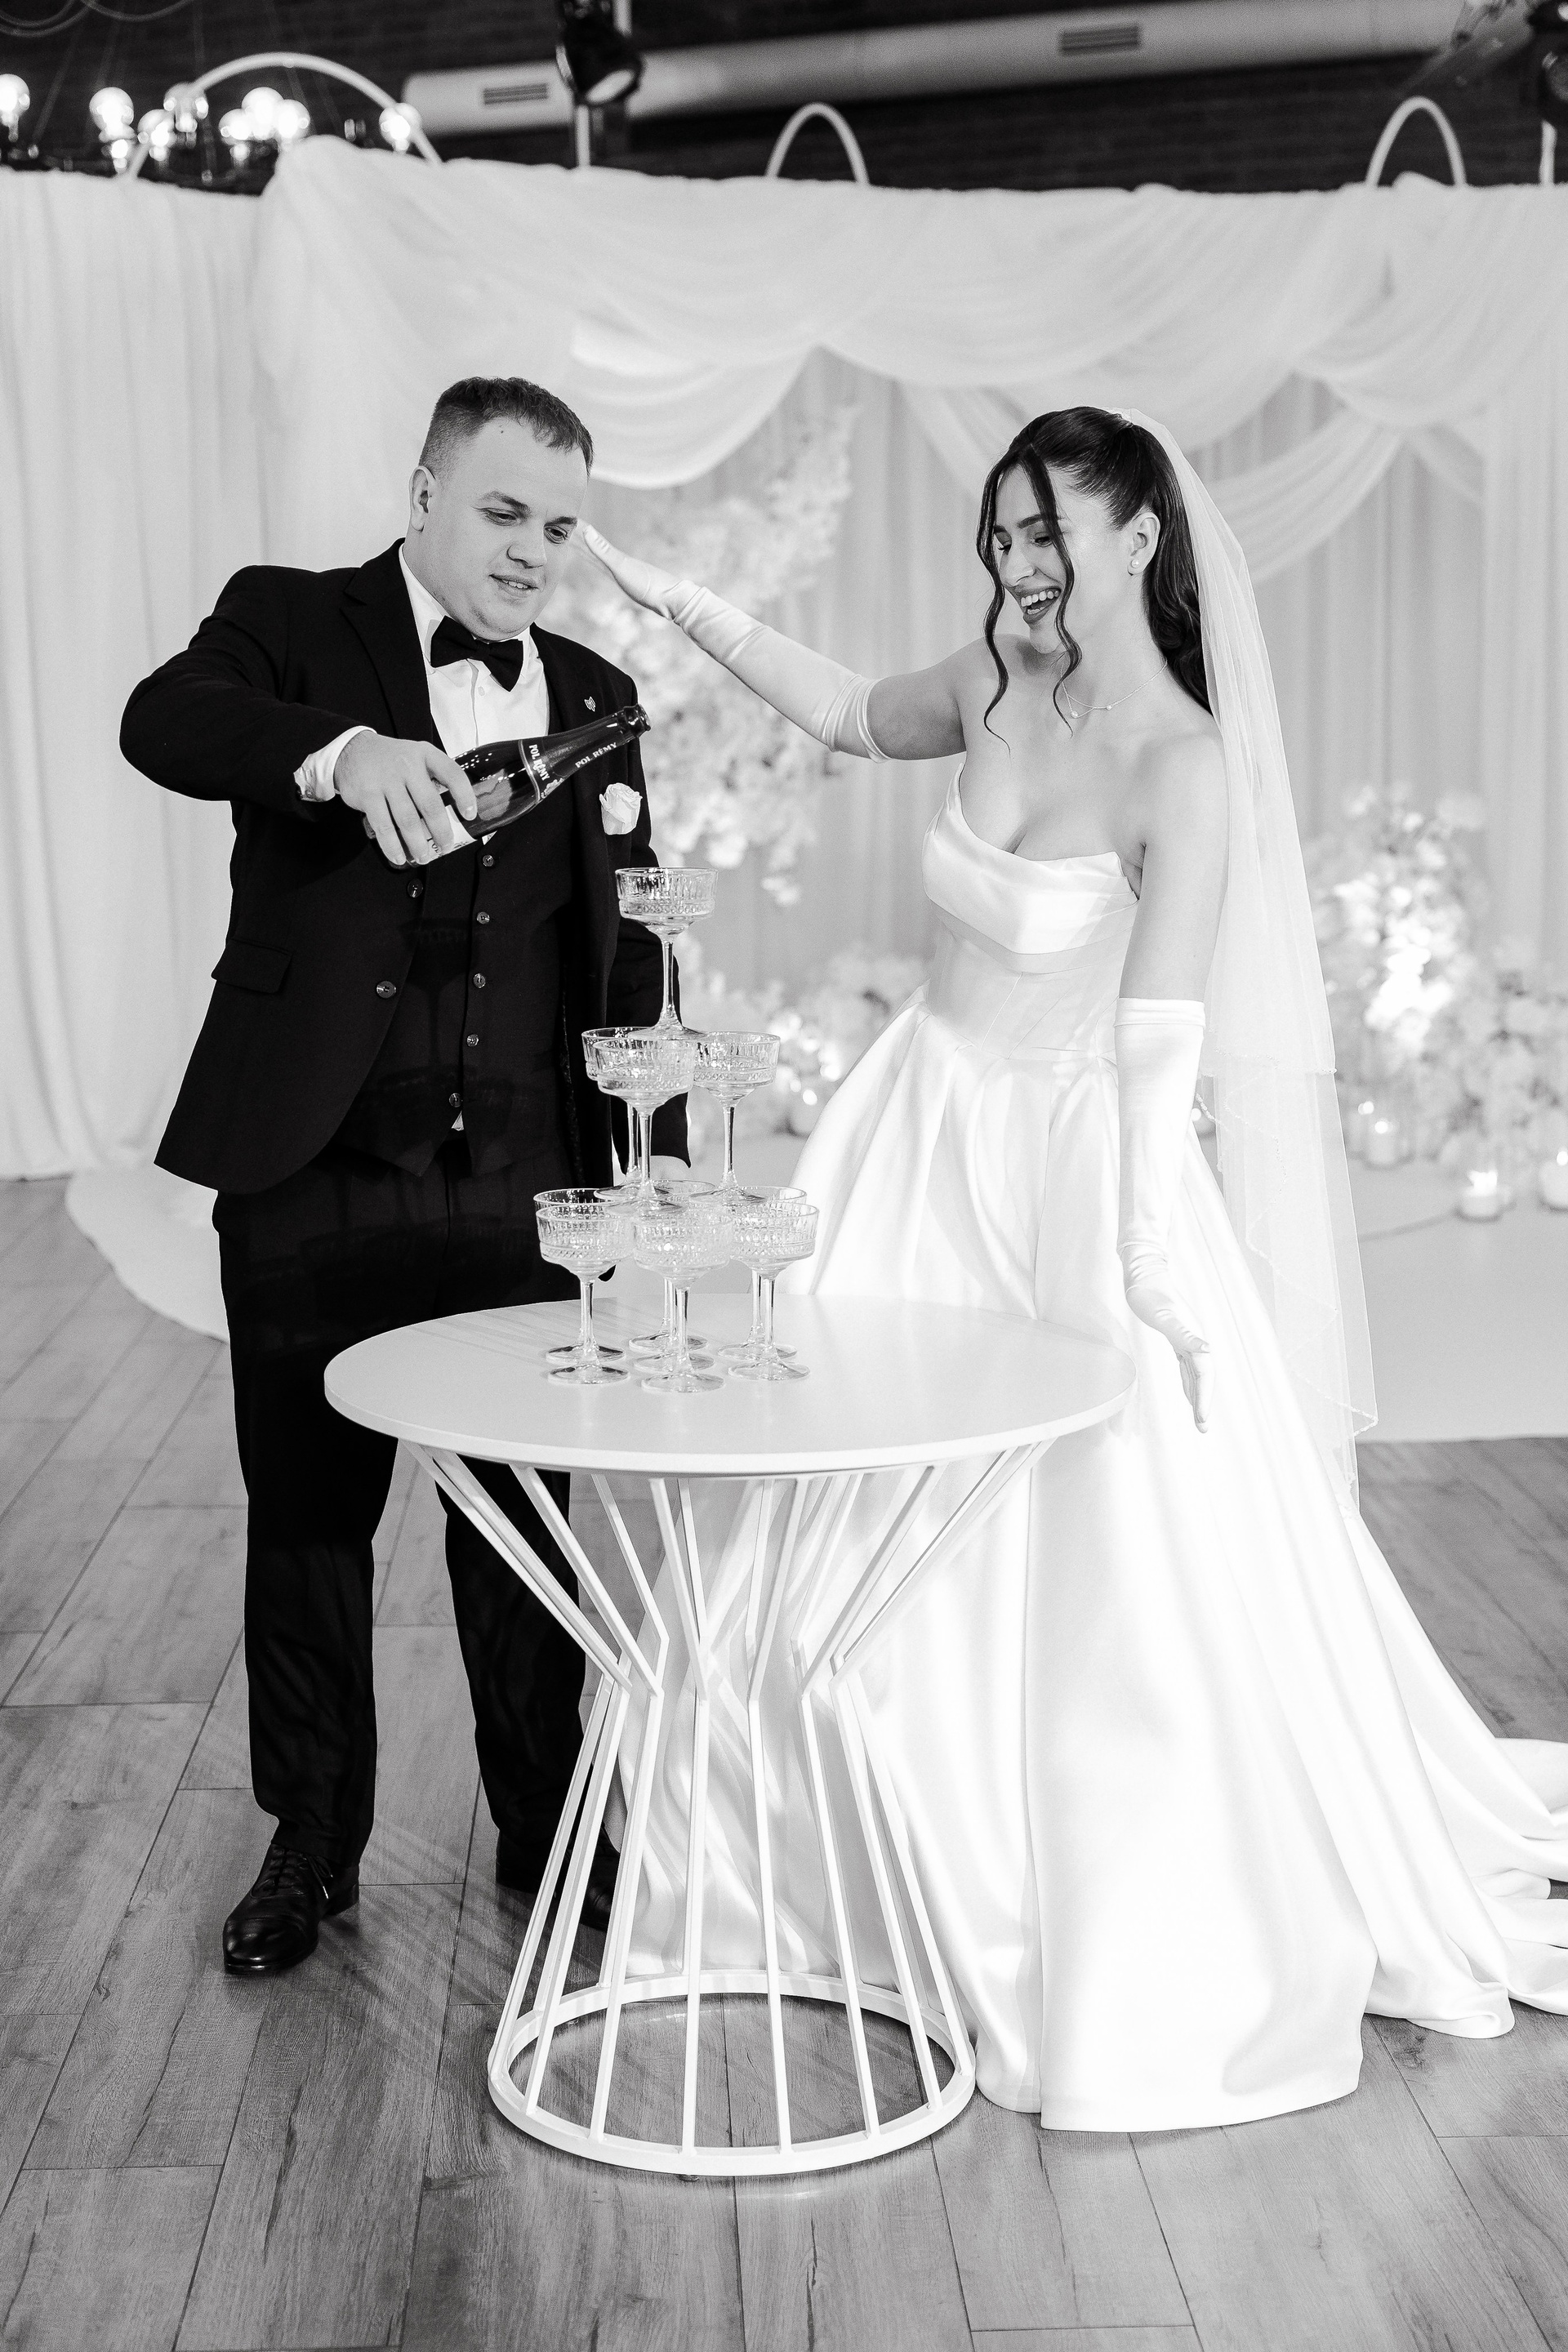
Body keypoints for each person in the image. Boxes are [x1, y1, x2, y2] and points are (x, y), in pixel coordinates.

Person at [579, 408, 1568, 2132]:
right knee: (838, 1499)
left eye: (1048, 533)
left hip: (1072, 1163)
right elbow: (843, 710)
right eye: (1005, 533)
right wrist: (677, 601)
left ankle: (1065, 1896)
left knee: (1099, 1536)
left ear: (1139, 538)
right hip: (916, 1131)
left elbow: (1158, 1032)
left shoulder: (1186, 762)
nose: (1019, 563)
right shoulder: (991, 679)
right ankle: (796, 1873)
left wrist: (1145, 1249)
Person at [122, 376, 685, 1977]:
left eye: (560, 526)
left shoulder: (597, 690)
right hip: (314, 1164)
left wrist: (648, 1162)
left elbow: (627, 944)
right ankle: (311, 1842)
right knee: (310, 1521)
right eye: (503, 512)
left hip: (521, 1175)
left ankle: (551, 1829)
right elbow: (162, 721)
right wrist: (342, 751)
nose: (531, 552)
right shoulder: (291, 623)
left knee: (525, 1525)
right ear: (426, 493)